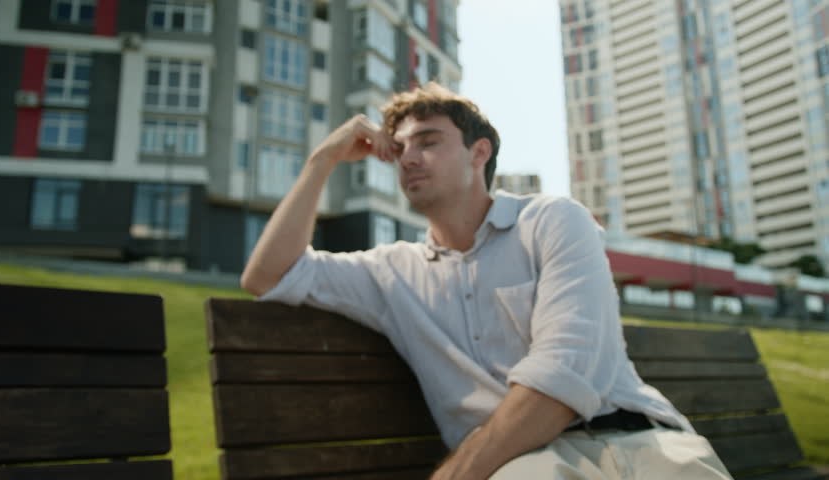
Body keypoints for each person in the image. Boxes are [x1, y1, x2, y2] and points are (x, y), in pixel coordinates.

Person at [240, 83, 732, 480]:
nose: (407, 158)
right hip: (520, 465)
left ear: (479, 153)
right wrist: (322, 160)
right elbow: (266, 275)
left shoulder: (552, 220)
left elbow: (564, 372)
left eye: (428, 142)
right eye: (401, 148)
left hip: (639, 442)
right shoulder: (391, 272)